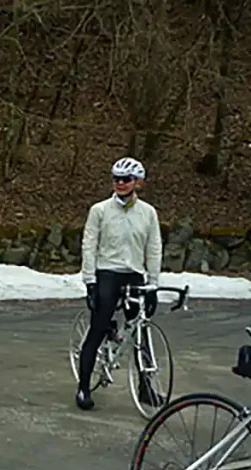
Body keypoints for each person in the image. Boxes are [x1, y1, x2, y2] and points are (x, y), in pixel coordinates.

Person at [76, 157, 164, 411]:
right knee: (97, 326)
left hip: (134, 275)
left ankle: (146, 388)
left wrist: (153, 284)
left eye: (126, 179)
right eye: (116, 178)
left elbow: (154, 248)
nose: (120, 183)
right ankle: (83, 387)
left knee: (141, 330)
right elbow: (89, 245)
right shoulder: (100, 210)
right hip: (107, 273)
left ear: (137, 182)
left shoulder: (148, 213)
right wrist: (90, 282)